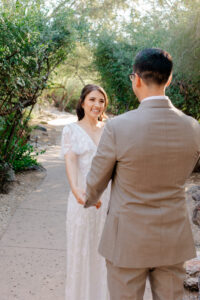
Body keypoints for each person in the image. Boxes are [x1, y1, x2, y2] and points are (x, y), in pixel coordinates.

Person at [84, 48, 200, 300]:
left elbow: (96, 181)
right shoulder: (193, 128)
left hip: (126, 239)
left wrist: (90, 199)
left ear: (135, 79)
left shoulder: (117, 127)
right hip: (172, 238)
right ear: (168, 80)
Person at [61, 84, 110, 300]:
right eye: (92, 99)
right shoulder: (71, 130)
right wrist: (77, 190)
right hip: (82, 199)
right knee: (81, 253)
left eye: (101, 101)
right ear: (82, 102)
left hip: (108, 201)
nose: (97, 105)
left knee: (103, 255)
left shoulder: (110, 130)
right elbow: (70, 161)